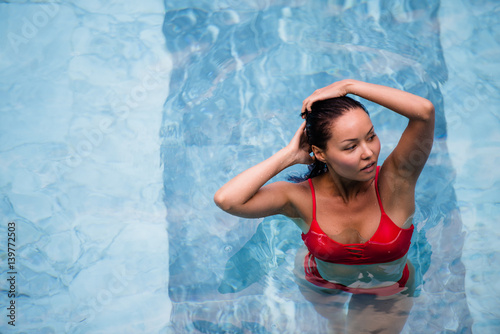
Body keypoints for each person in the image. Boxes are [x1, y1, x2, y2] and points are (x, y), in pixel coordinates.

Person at [214, 79, 434, 333]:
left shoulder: (397, 183)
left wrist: (349, 86)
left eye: (371, 137)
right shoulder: (300, 198)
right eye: (351, 146)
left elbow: (424, 113)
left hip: (386, 290)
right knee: (337, 328)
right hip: (320, 282)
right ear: (320, 153)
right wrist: (288, 155)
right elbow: (227, 200)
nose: (369, 153)